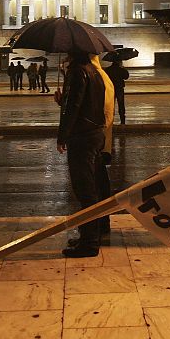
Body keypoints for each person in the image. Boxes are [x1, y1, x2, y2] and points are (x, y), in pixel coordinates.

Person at [55, 51, 108, 258]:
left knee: (84, 190)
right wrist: (63, 100)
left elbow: (74, 106)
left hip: (82, 137)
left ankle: (89, 243)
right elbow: (88, 103)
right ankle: (88, 235)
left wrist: (62, 135)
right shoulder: (95, 71)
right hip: (95, 133)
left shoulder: (77, 72)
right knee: (91, 188)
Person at [104, 59, 130, 124]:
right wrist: (123, 68)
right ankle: (122, 120)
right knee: (121, 104)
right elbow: (126, 77)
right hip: (119, 88)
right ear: (119, 62)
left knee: (110, 104)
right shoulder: (121, 69)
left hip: (110, 89)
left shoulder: (108, 69)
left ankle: (110, 120)